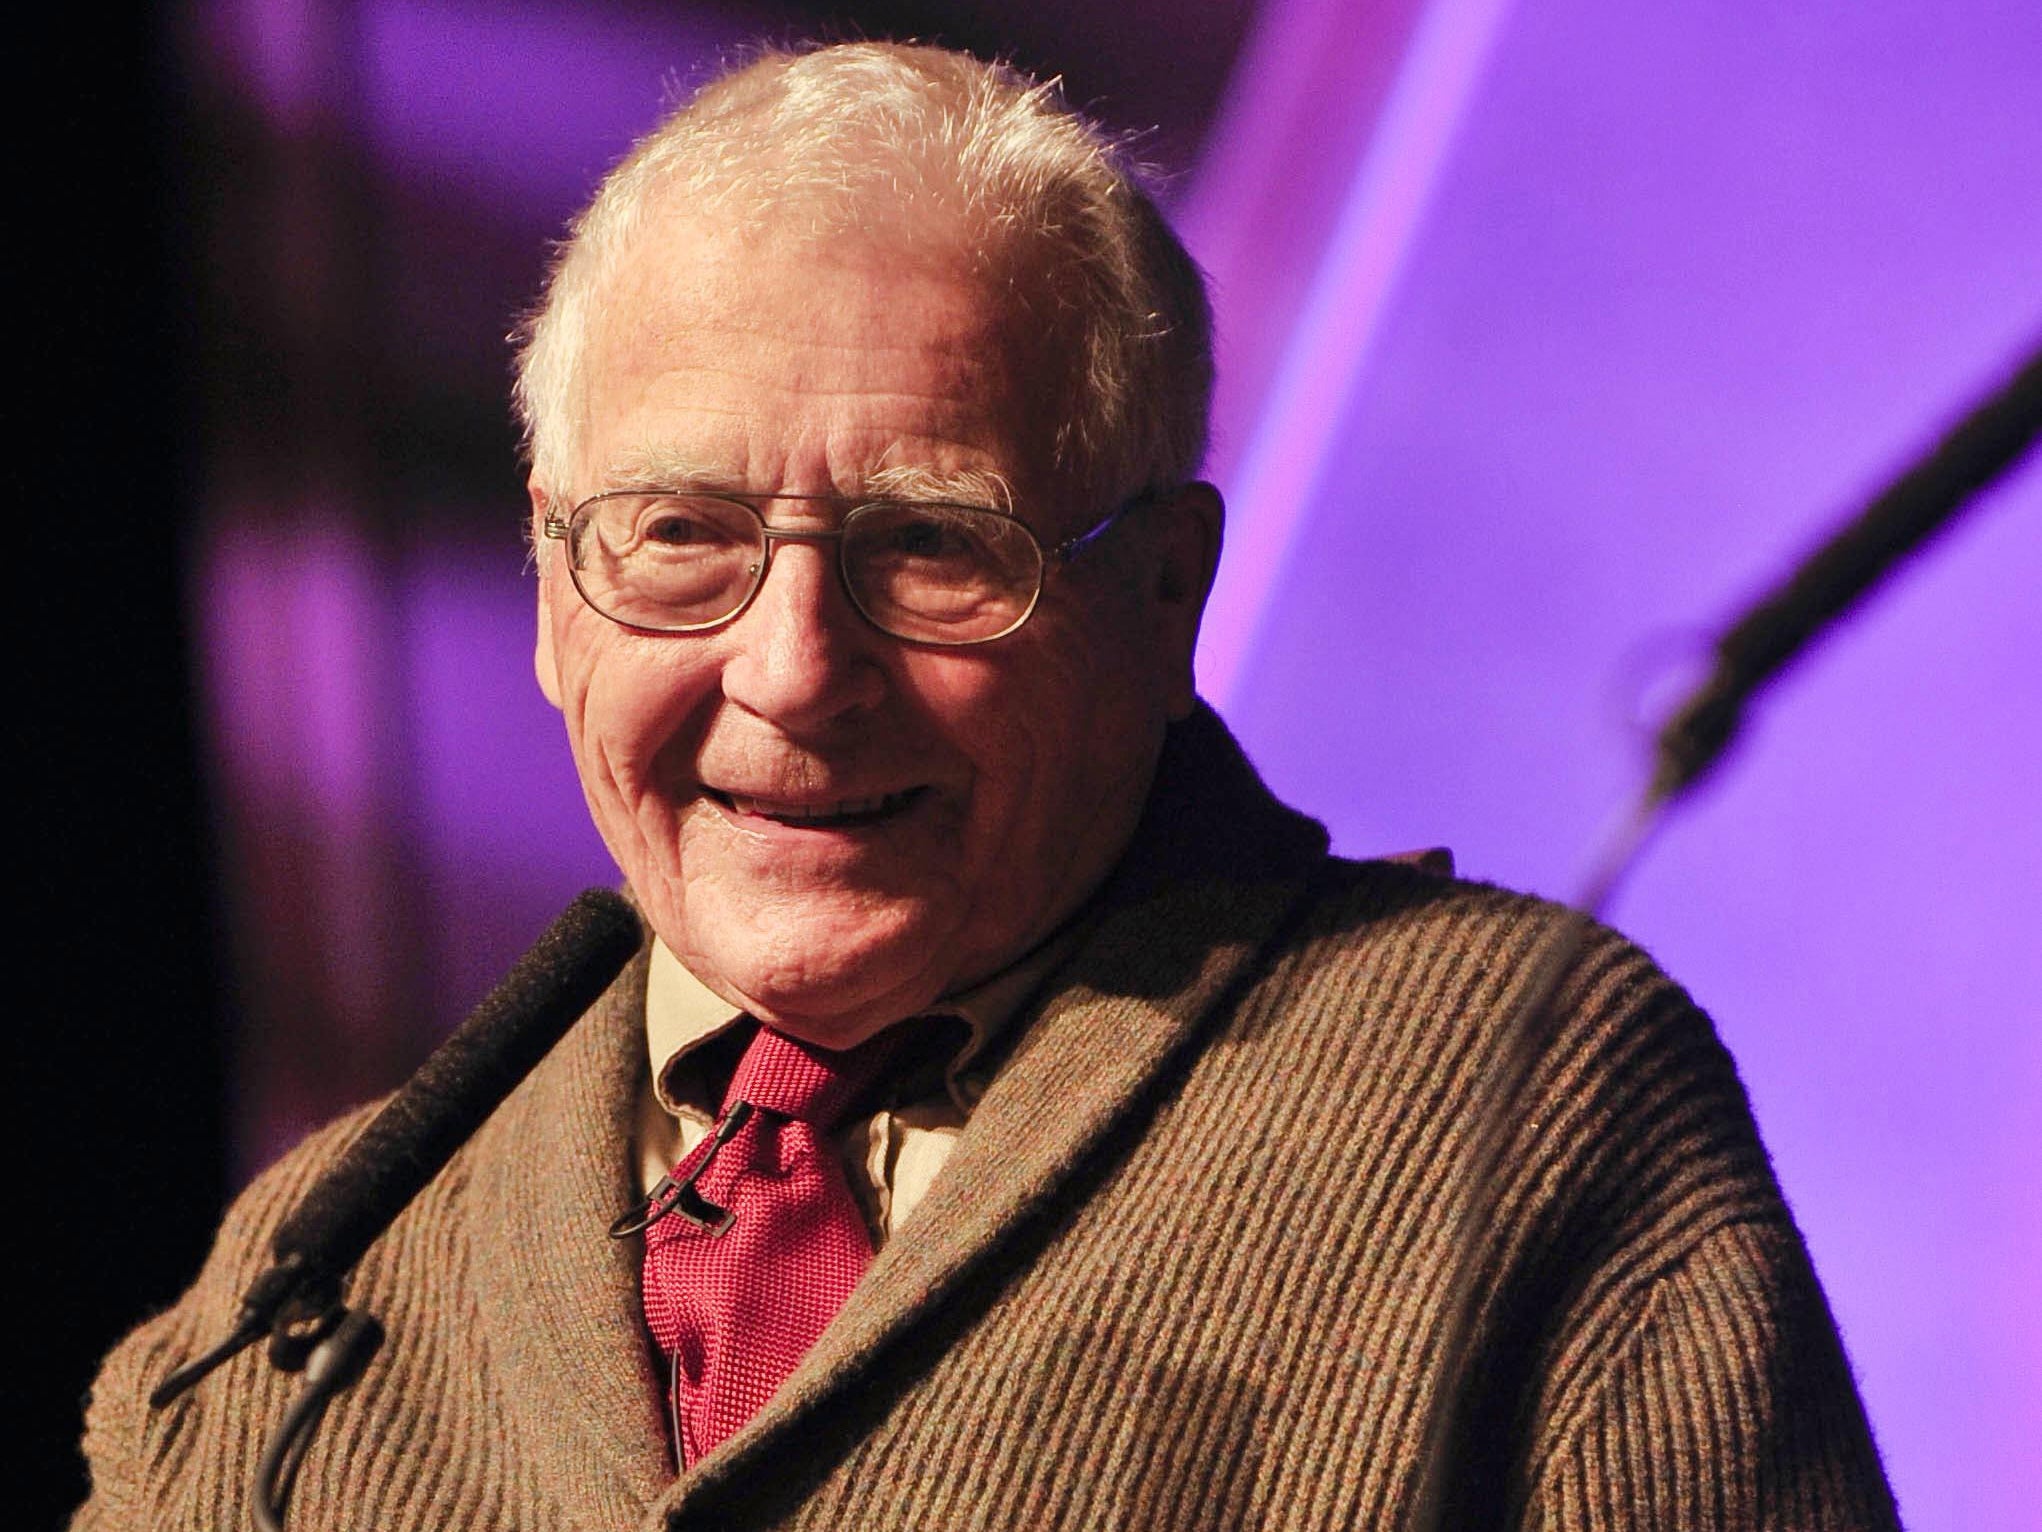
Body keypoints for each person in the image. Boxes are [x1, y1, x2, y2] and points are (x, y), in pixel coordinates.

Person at [75, 41, 1899, 1531]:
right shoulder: (311, 1280)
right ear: (555, 593)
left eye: (935, 547)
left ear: (1160, 596)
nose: (791, 667)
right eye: (681, 539)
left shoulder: (1514, 1099)